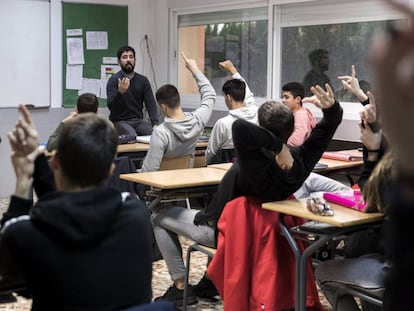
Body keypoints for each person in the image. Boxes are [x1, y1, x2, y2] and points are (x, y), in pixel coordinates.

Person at [0, 105, 153, 311]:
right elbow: (65, 202)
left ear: (54, 161)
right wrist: (36, 160)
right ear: (111, 168)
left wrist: (23, 180)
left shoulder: (26, 234)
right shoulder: (136, 215)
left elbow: (10, 275)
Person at [140, 52, 215, 172]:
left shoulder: (161, 133)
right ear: (178, 100)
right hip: (183, 182)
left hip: (160, 187)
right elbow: (210, 94)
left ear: (163, 107)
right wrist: (194, 70)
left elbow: (149, 171)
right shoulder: (197, 120)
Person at [205, 60, 258, 165]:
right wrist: (232, 70)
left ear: (228, 97)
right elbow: (248, 94)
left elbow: (210, 153)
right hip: (251, 170)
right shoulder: (256, 114)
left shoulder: (223, 123)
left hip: (226, 172)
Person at [107, 45, 159, 136]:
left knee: (156, 135)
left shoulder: (143, 80)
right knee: (131, 137)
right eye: (124, 57)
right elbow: (111, 107)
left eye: (131, 57)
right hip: (120, 121)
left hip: (138, 121)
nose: (128, 60)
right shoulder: (114, 80)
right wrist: (120, 93)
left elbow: (150, 103)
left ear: (135, 61)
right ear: (119, 62)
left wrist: (155, 123)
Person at [282, 81, 316, 146]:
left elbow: (297, 139)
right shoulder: (301, 113)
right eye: (283, 97)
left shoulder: (300, 115)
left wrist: (285, 148)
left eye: (286, 97)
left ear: (298, 99)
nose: (283, 100)